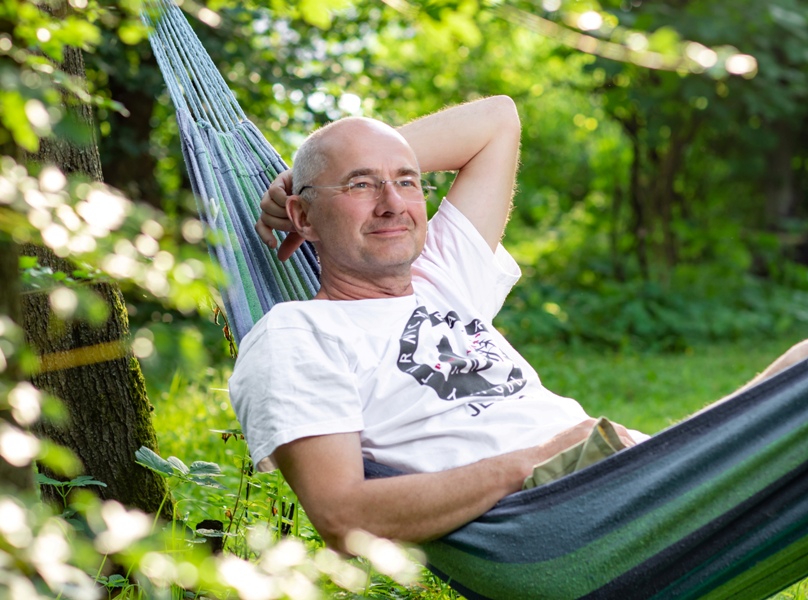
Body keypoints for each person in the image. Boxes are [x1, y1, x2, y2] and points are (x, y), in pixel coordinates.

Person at [229, 96, 808, 554]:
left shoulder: (441, 277)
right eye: (360, 185)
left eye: (407, 181)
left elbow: (497, 119)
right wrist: (529, 461)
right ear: (303, 217)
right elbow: (342, 516)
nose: (392, 203)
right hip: (563, 515)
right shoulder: (297, 334)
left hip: (643, 472)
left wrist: (304, 177)